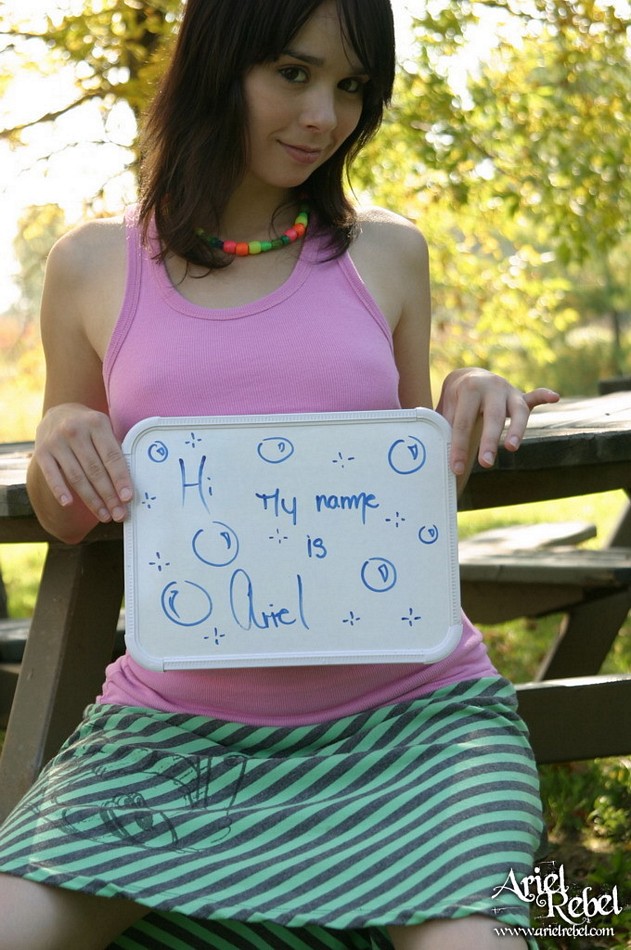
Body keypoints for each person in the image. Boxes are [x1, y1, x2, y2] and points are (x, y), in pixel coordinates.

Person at [0, 1, 559, 947]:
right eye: (292, 74)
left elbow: (402, 491)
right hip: (177, 741)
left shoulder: (388, 252)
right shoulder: (91, 265)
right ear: (217, 64)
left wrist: (467, 396)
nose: (323, 118)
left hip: (412, 731)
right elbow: (68, 516)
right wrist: (60, 428)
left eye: (350, 87)